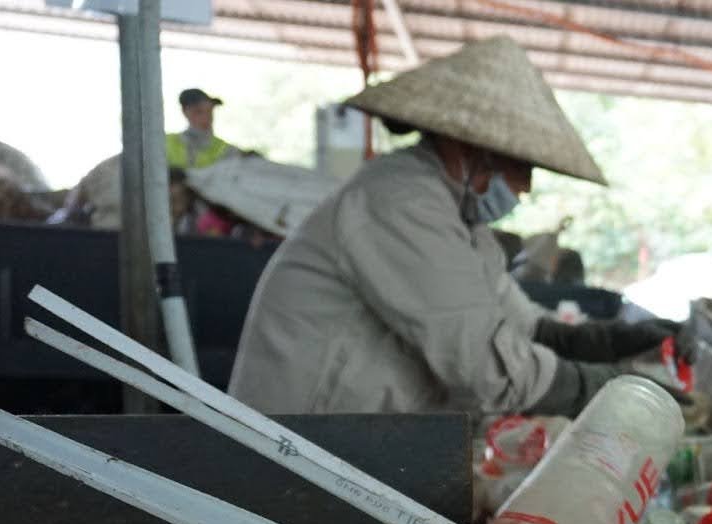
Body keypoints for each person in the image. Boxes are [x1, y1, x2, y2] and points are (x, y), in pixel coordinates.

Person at [228, 37, 676, 416]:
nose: (524, 185)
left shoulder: (460, 222)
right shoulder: (400, 203)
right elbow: (489, 366)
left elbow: (526, 327)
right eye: (517, 162)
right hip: (299, 446)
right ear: (466, 146)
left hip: (351, 443)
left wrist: (620, 341)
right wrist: (616, 389)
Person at [166, 88, 235, 170]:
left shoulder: (227, 149)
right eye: (198, 112)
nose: (206, 118)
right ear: (184, 112)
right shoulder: (164, 143)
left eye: (209, 111)